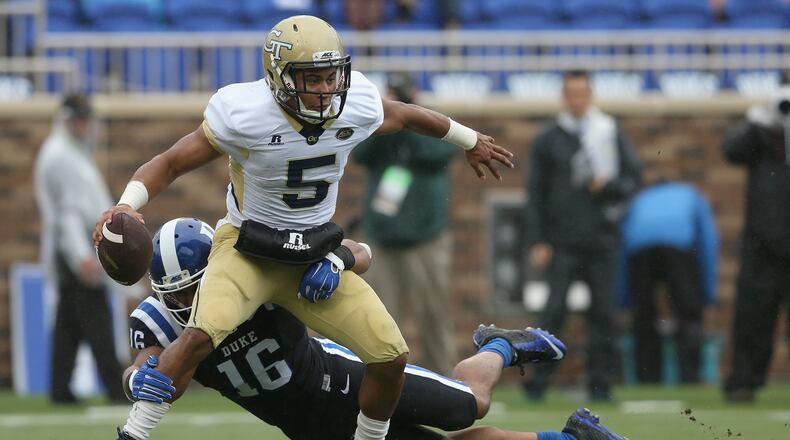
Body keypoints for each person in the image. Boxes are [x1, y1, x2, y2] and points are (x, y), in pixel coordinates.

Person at [94, 15, 514, 440]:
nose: (326, 89)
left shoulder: (354, 103)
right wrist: (126, 204)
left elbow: (404, 115)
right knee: (199, 335)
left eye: (331, 77)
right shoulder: (245, 114)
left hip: (310, 252)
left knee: (390, 356)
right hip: (247, 251)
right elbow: (170, 163)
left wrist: (470, 140)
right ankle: (134, 433)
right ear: (279, 78)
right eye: (312, 79)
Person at [116, 217, 625, 440]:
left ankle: (499, 347)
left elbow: (362, 251)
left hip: (352, 380)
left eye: (195, 289)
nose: (187, 303)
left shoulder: (254, 271)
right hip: (310, 429)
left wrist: (334, 260)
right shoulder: (160, 321)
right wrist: (139, 380)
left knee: (470, 406)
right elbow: (142, 366)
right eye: (175, 295)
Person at [524, 70, 642, 402]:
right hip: (562, 240)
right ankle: (537, 383)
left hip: (602, 239)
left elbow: (633, 180)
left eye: (582, 93)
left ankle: (601, 385)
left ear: (590, 96)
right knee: (553, 312)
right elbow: (536, 193)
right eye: (571, 93)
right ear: (564, 97)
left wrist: (609, 186)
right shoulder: (549, 138)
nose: (577, 100)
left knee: (604, 314)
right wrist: (538, 239)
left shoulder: (608, 131)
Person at [353, 72, 459, 375]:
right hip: (381, 236)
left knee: (433, 317)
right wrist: (386, 117)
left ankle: (445, 380)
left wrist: (409, 118)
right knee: (378, 318)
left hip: (425, 237)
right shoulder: (380, 122)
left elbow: (439, 153)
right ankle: (378, 381)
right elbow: (360, 154)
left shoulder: (432, 121)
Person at [33, 94, 126, 404]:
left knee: (69, 324)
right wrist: (81, 257)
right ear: (69, 120)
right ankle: (115, 387)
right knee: (97, 320)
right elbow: (68, 214)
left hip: (73, 248)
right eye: (82, 119)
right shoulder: (62, 156)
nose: (87, 125)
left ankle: (60, 390)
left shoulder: (70, 152)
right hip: (74, 250)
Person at [722, 86, 790, 402]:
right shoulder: (761, 133)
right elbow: (731, 151)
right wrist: (760, 120)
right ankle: (744, 382)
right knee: (753, 315)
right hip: (762, 243)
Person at [620, 176, 719, 384]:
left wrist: (625, 300)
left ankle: (647, 378)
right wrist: (706, 294)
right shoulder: (691, 194)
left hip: (640, 250)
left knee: (643, 316)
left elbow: (623, 250)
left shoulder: (640, 198)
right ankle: (690, 377)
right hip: (678, 247)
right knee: (688, 314)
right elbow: (708, 243)